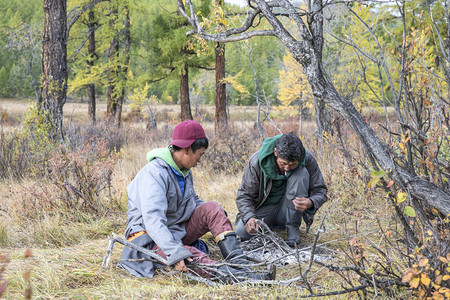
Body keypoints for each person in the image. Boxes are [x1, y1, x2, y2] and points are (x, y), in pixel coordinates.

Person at [118, 120, 275, 282]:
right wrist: (175, 252)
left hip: (173, 229)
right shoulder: (154, 174)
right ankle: (245, 279)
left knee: (213, 208)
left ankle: (239, 264)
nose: (200, 160)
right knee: (190, 256)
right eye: (199, 154)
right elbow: (153, 221)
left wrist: (217, 216)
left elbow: (192, 201)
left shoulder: (184, 170)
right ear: (186, 150)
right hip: (149, 240)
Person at [235, 132, 327, 246]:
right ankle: (272, 225)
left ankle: (292, 228)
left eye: (292, 164)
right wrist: (250, 217)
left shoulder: (307, 159)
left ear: (300, 157)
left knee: (301, 173)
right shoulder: (257, 162)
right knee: (241, 233)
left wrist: (311, 202)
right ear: (275, 152)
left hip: (290, 210)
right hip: (265, 208)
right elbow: (244, 195)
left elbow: (321, 191)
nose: (287, 168)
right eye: (283, 163)